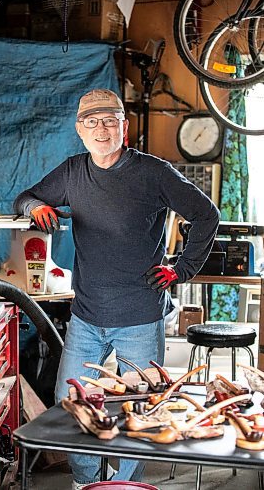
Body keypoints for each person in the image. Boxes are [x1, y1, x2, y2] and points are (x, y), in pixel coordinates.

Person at [14, 88, 220, 489]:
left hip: (139, 317)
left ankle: (125, 487)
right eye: (91, 122)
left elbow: (205, 214)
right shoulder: (73, 171)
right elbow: (26, 196)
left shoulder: (154, 172)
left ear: (124, 126)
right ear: (79, 130)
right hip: (86, 317)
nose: (101, 129)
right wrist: (34, 208)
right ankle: (87, 482)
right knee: (69, 407)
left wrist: (183, 268)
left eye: (110, 120)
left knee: (138, 411)